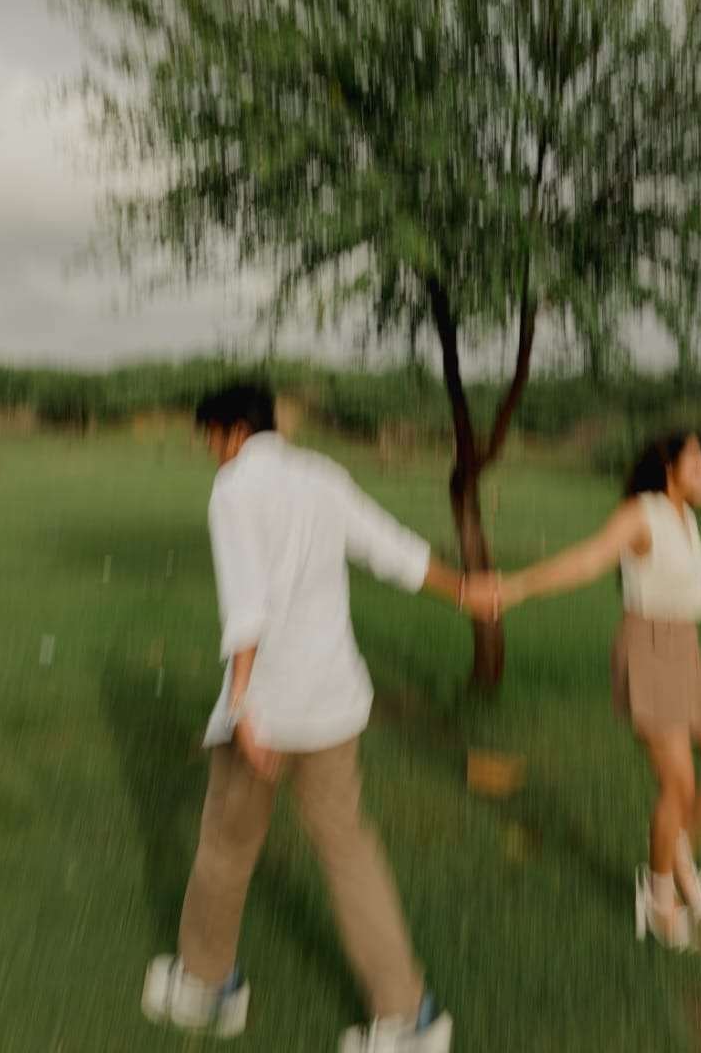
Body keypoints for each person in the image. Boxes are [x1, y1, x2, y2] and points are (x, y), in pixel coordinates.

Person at [142, 381, 482, 1050]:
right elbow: (392, 549)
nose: (211, 453)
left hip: (268, 712)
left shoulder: (234, 488)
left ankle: (207, 989)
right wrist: (465, 591)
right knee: (350, 853)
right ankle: (408, 1021)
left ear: (232, 432)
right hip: (334, 705)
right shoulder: (322, 475)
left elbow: (246, 606)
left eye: (210, 439)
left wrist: (240, 707)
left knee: (225, 848)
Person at [465, 431, 701, 951]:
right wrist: (516, 587)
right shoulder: (641, 514)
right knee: (680, 787)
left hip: (688, 650)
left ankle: (678, 854)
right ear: (668, 467)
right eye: (696, 461)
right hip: (649, 650)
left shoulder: (687, 518)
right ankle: (658, 894)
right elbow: (587, 560)